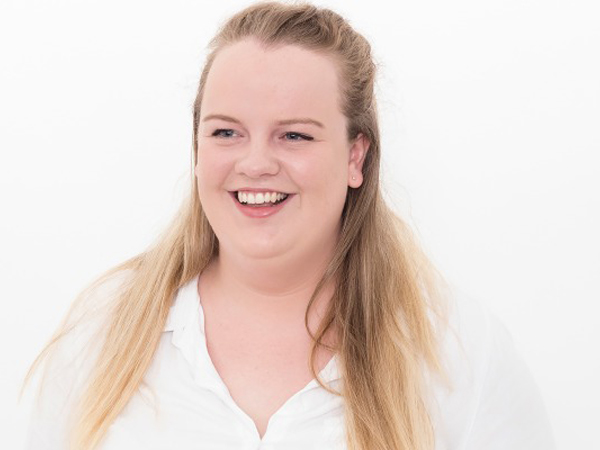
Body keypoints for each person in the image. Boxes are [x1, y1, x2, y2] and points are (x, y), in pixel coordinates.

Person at [23, 2, 555, 449]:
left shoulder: (458, 350)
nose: (255, 163)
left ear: (355, 157)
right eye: (226, 132)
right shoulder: (102, 332)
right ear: (197, 149)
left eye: (294, 135)